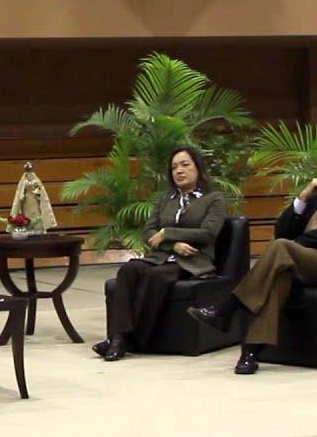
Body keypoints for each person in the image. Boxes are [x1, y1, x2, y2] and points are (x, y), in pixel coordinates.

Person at [189, 145, 317, 375]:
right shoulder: (316, 197)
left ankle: (228, 306)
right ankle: (250, 352)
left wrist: (291, 246)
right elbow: (282, 231)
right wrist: (302, 197)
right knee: (280, 273)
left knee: (282, 248)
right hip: (304, 263)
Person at [93, 147, 226, 362]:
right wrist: (172, 245)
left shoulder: (213, 199)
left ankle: (124, 340)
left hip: (192, 261)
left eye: (185, 165)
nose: (179, 171)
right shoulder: (166, 198)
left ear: (198, 168)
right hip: (161, 256)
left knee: (155, 277)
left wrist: (167, 233)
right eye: (174, 167)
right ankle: (118, 338)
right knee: (129, 269)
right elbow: (149, 232)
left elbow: (207, 233)